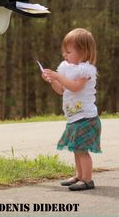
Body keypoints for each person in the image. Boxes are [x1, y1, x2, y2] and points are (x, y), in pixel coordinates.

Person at [42, 28, 102, 191]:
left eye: (69, 51)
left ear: (83, 51)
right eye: (64, 52)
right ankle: (79, 175)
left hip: (86, 118)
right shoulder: (66, 69)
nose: (65, 55)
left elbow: (75, 87)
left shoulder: (86, 71)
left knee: (82, 150)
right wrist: (52, 80)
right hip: (74, 118)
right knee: (76, 148)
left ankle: (88, 180)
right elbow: (62, 90)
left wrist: (58, 76)